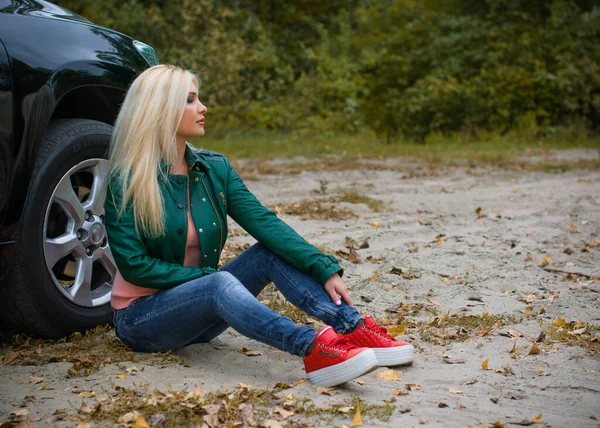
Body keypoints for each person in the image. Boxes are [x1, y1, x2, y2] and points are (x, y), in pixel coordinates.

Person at [104, 64, 414, 387]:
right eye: (191, 100)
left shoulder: (214, 169)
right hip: (142, 319)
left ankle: (352, 327)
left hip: (201, 317)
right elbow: (135, 267)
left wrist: (323, 266)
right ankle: (311, 347)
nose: (203, 107)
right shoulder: (126, 181)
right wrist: (209, 277)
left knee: (267, 253)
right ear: (161, 111)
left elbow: (265, 223)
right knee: (218, 284)